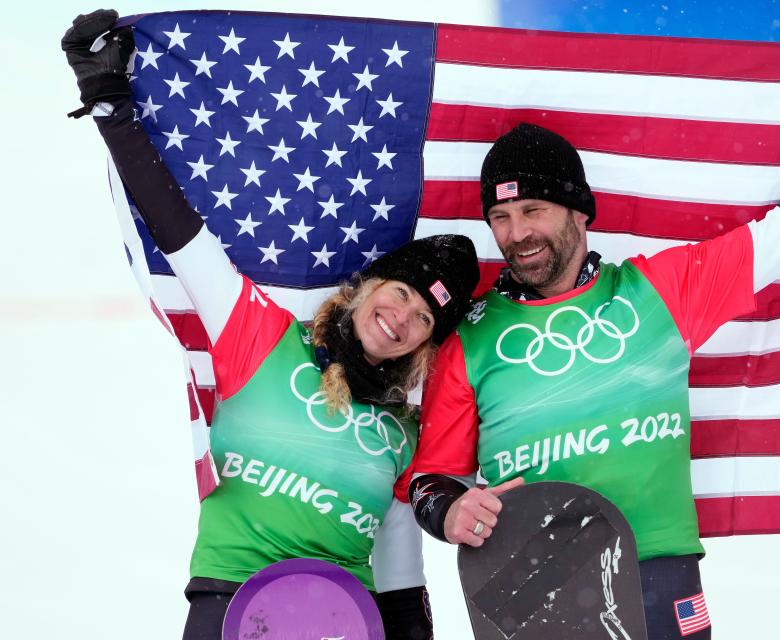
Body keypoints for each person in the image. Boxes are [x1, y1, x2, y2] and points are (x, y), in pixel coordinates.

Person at [406, 49, 780, 638]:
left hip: (656, 569)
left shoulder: (658, 293)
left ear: (580, 214)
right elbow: (433, 476)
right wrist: (452, 509)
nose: (516, 234)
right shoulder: (470, 338)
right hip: (534, 582)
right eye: (500, 217)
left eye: (533, 210)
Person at [62, 10, 480, 640]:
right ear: (367, 287)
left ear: (426, 341)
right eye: (401, 294)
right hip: (232, 601)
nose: (402, 319)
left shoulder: (401, 427)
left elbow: (398, 566)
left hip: (347, 618)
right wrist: (112, 110)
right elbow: (182, 236)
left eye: (424, 318)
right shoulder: (261, 337)